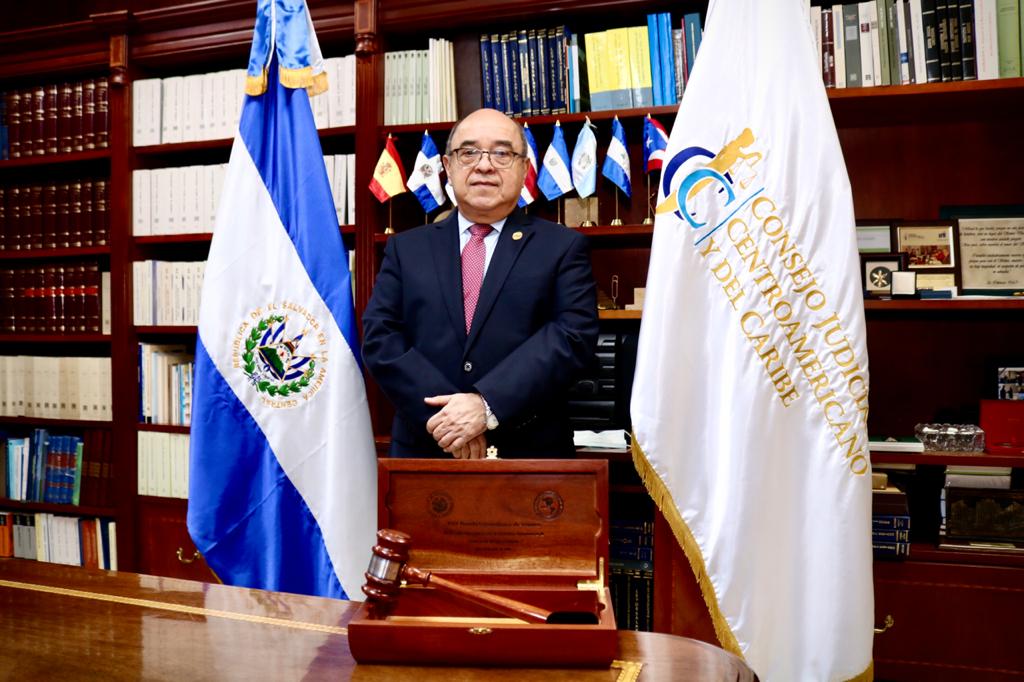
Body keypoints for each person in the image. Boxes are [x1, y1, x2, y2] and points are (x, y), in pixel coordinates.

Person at [362, 108, 599, 459]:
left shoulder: (562, 247)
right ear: (448, 165)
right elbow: (380, 339)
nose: (484, 165)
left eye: (502, 153)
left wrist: (486, 406)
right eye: (469, 152)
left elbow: (572, 337)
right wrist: (449, 420)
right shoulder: (405, 249)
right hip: (425, 449)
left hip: (530, 455)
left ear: (524, 168)